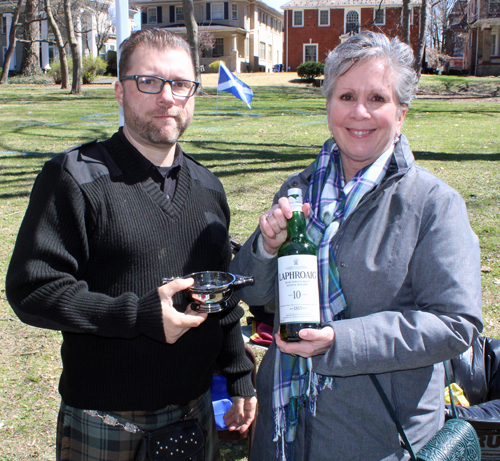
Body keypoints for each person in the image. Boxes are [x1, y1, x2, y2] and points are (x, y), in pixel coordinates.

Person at [230, 31, 482, 460]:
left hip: (374, 437)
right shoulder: (298, 190)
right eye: (346, 96)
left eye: (377, 99)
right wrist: (266, 250)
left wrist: (338, 342)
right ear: (328, 106)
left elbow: (456, 325)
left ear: (401, 113)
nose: (359, 112)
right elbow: (254, 294)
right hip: (284, 429)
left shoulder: (433, 204)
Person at [6, 29, 256, 461]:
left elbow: (222, 296)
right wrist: (135, 316)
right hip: (106, 418)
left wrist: (238, 375)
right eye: (149, 82)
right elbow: (33, 290)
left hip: (194, 412)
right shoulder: (74, 178)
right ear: (120, 91)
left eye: (180, 83)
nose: (167, 97)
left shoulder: (208, 187)